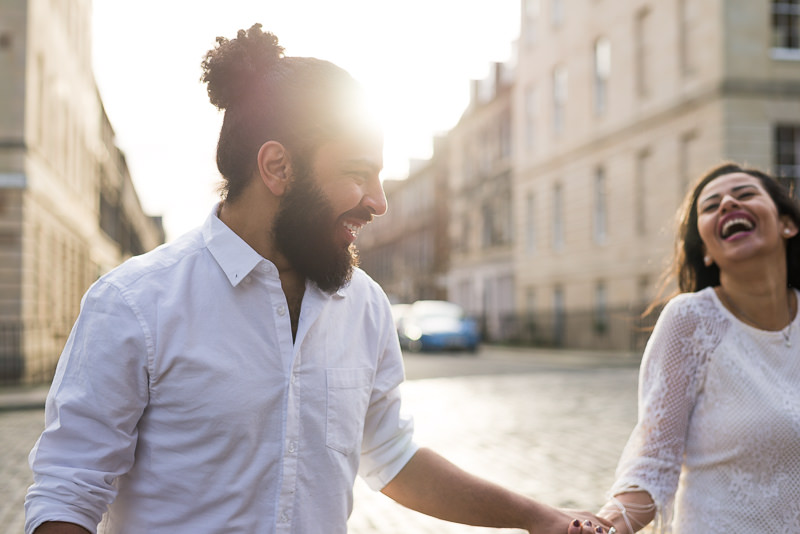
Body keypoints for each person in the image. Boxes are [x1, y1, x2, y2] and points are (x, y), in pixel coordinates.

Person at [25, 24, 609, 534]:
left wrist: (538, 516)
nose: (378, 203)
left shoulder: (366, 306)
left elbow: (392, 456)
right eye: (357, 175)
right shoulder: (133, 304)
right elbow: (67, 496)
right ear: (277, 167)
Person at [567, 162, 800, 534]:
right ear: (706, 250)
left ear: (787, 224)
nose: (727, 203)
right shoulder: (691, 320)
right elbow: (653, 462)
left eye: (744, 194)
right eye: (711, 205)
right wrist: (606, 525)